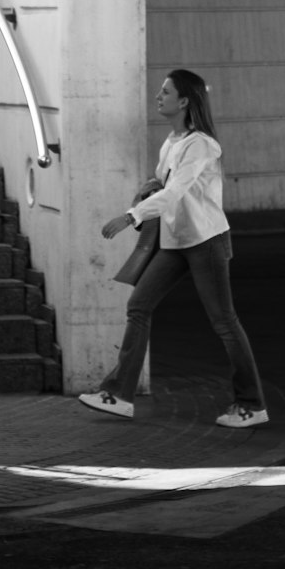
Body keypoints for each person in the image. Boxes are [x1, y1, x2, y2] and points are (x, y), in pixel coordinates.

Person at [78, 68, 268, 427]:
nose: (158, 96)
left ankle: (252, 405)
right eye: (160, 91)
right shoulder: (172, 142)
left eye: (165, 92)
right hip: (175, 241)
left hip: (206, 242)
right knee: (139, 305)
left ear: (184, 101)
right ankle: (118, 395)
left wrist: (130, 216)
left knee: (224, 322)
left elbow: (176, 192)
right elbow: (164, 183)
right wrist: (149, 184)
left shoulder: (202, 145)